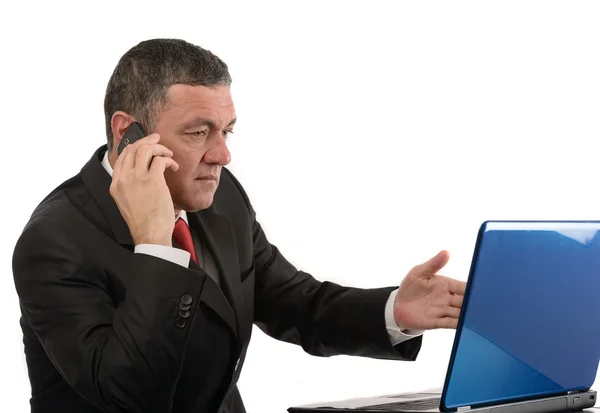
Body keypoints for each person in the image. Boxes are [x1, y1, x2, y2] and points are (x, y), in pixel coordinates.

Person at [12, 38, 467, 413]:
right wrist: (154, 247)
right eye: (198, 133)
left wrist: (395, 312)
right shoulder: (54, 242)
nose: (222, 155)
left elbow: (293, 302)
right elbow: (131, 395)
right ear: (127, 133)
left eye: (226, 131)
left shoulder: (219, 197)